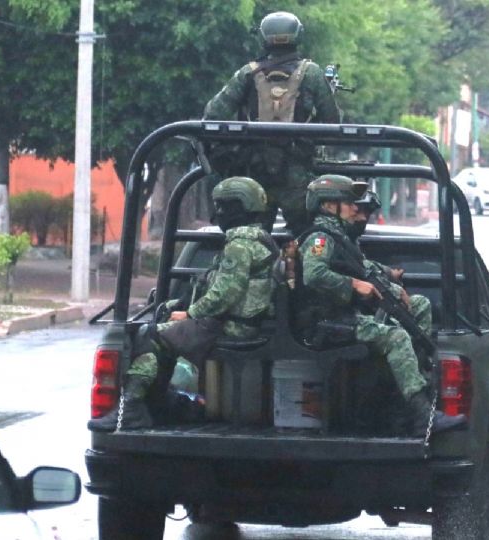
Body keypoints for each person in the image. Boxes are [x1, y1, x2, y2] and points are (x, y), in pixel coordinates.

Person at [89, 177, 279, 432]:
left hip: (229, 326)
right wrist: (178, 304)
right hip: (240, 322)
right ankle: (159, 403)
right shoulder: (259, 240)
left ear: (238, 207)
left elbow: (226, 293)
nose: (218, 213)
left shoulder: (240, 245)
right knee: (165, 332)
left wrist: (190, 313)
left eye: (223, 207)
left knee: (149, 336)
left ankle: (132, 410)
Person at [297, 175, 464, 436]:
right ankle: (422, 416)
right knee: (396, 337)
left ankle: (400, 401)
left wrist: (390, 279)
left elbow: (362, 266)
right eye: (349, 203)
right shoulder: (320, 238)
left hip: (345, 317)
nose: (355, 208)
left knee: (417, 306)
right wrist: (354, 285)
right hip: (327, 321)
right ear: (329, 205)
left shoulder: (341, 238)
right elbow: (313, 274)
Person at [203, 11, 341, 235]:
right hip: (298, 176)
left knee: (252, 237)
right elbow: (332, 122)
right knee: (307, 238)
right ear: (298, 35)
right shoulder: (313, 73)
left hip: (255, 174)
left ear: (263, 37)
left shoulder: (247, 73)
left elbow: (213, 114)